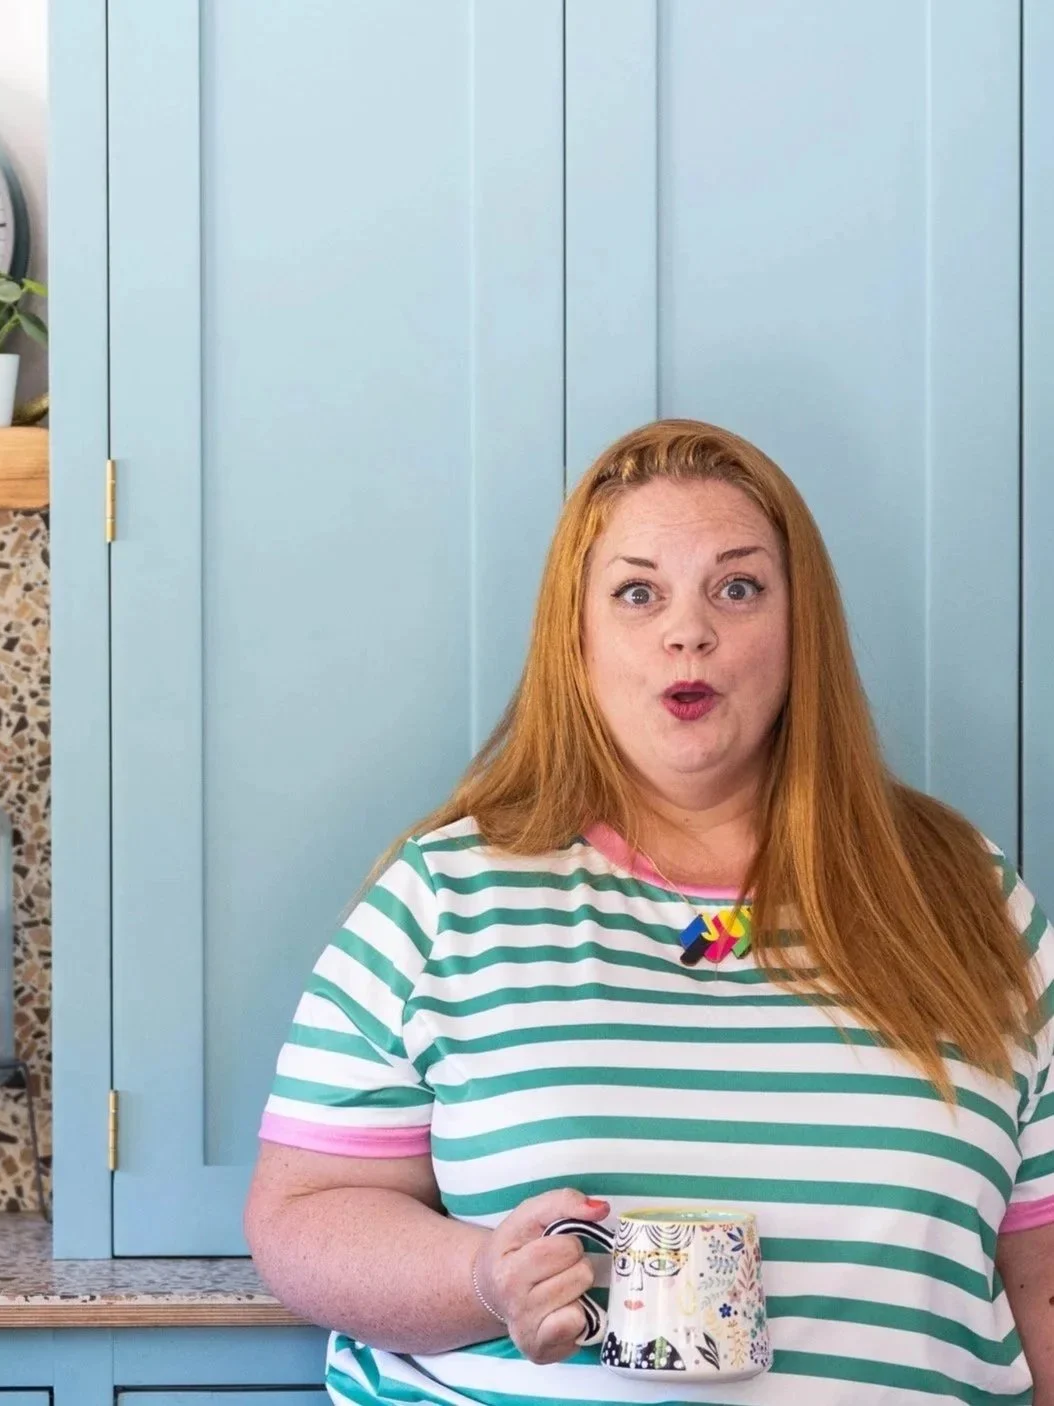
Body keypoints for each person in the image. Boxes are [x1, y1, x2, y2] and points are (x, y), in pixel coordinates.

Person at [244, 420, 1054, 1405]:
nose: (689, 632)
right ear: (575, 638)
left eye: (737, 587)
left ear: (800, 629)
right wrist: (482, 1276)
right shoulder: (444, 896)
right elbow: (304, 1210)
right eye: (638, 593)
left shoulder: (967, 896)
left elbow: (1040, 1264)